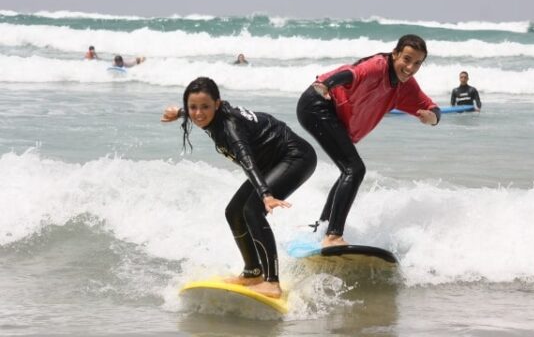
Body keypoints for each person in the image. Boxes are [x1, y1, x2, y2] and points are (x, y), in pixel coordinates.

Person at [161, 77, 316, 298]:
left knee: (252, 210)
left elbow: (246, 159)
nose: (198, 113)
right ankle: (253, 272)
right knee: (234, 212)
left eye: (205, 106)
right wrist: (179, 113)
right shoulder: (211, 114)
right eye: (192, 107)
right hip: (271, 161)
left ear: (218, 104)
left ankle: (272, 282)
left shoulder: (230, 127)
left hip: (296, 157)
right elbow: (199, 113)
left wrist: (265, 194)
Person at [296, 34, 440, 248]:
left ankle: (322, 229)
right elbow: (350, 73)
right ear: (395, 54)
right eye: (406, 59)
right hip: (317, 104)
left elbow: (433, 109)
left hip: (334, 115)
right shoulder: (377, 66)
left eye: (417, 63)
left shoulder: (407, 86)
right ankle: (333, 236)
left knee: (349, 169)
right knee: (354, 169)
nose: (410, 67)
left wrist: (432, 118)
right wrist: (325, 85)